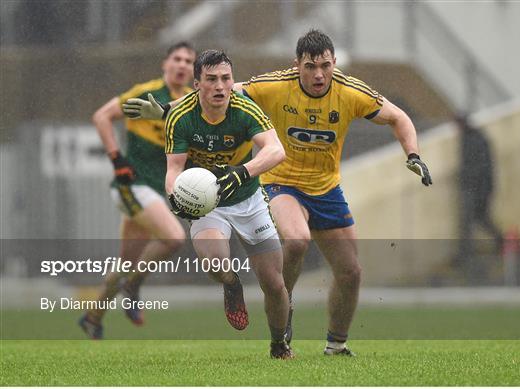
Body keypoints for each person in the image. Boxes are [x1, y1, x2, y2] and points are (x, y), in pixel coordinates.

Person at [125, 30, 432, 356]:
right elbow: (217, 92)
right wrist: (163, 110)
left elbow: (398, 118)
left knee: (351, 272)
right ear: (296, 64)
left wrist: (412, 154)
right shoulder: (273, 85)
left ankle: (336, 344)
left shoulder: (348, 91)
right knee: (297, 239)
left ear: (334, 64)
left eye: (325, 66)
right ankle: (283, 306)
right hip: (280, 183)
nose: (318, 74)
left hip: (326, 188)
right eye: (311, 66)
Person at [164, 49, 292, 359]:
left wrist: (243, 172)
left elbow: (276, 151)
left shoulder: (245, 109)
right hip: (209, 203)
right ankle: (231, 284)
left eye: (226, 78)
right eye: (211, 79)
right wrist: (175, 198)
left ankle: (279, 343)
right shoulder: (180, 117)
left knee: (274, 283)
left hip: (249, 199)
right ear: (197, 84)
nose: (220, 86)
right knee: (215, 262)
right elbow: (173, 171)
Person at [78, 42, 196, 339]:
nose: (182, 65)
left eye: (188, 61)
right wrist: (117, 159)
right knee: (173, 237)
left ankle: (92, 317)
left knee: (126, 263)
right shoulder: (147, 92)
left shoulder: (188, 103)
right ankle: (134, 283)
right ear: (165, 63)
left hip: (154, 193)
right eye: (177, 59)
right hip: (132, 186)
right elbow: (101, 116)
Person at [455, 113, 503, 268]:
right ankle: (500, 241)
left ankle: (466, 256)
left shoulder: (471, 140)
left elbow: (474, 167)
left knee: (468, 222)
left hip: (475, 188)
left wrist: (466, 181)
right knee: (480, 218)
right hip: (481, 187)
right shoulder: (478, 138)